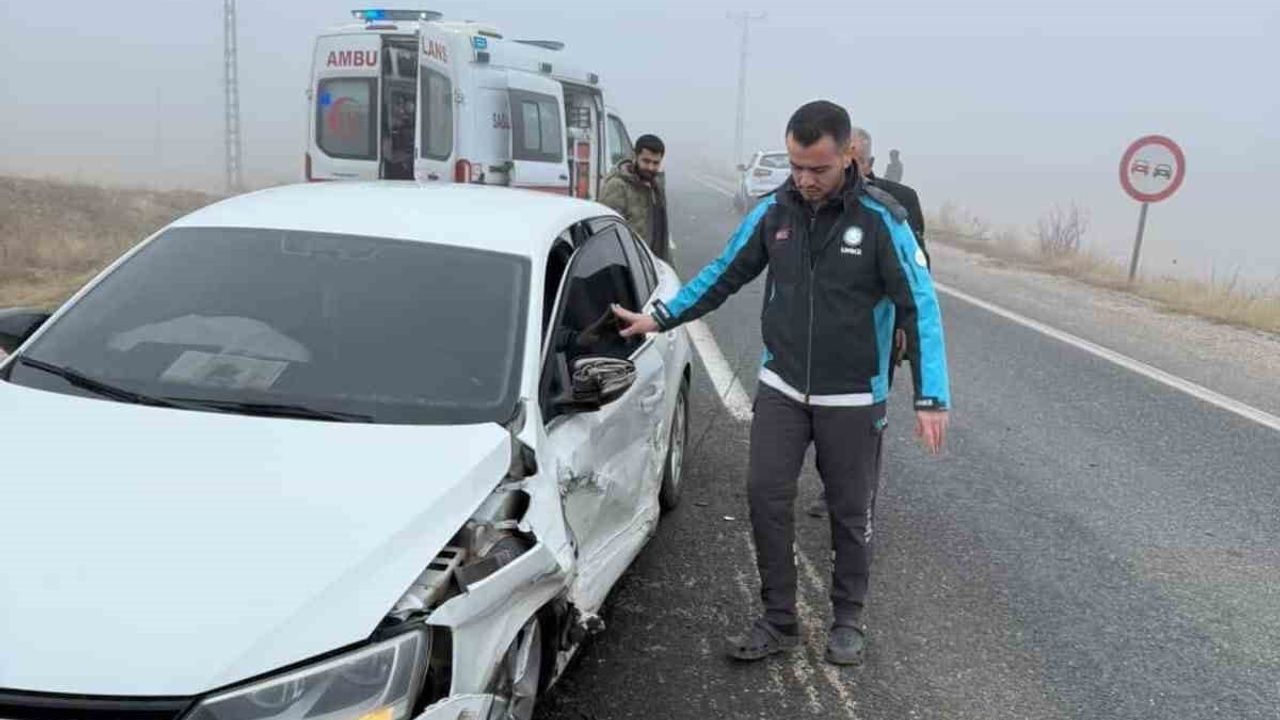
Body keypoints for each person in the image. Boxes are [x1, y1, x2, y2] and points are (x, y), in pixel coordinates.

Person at [611, 101, 951, 666]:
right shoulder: (776, 212)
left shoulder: (882, 219)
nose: (804, 179)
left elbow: (921, 306)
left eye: (817, 168)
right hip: (783, 387)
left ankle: (848, 617)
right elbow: (725, 271)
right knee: (765, 495)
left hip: (853, 397)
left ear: (848, 156)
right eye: (796, 165)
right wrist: (661, 316)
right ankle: (778, 619)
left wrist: (930, 395)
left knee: (848, 512)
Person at [806, 127, 931, 520]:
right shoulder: (822, 200)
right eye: (846, 159)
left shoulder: (898, 202)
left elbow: (916, 272)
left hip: (878, 337)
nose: (849, 168)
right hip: (826, 335)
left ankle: (861, 501)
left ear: (868, 163)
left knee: (868, 425)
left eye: (857, 160)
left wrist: (903, 330)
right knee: (826, 419)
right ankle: (832, 486)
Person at [599, 134, 671, 262]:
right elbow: (605, 235)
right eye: (646, 161)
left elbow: (662, 237)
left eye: (656, 163)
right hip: (627, 267)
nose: (650, 167)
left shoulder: (656, 187)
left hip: (651, 267)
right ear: (635, 156)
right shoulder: (617, 186)